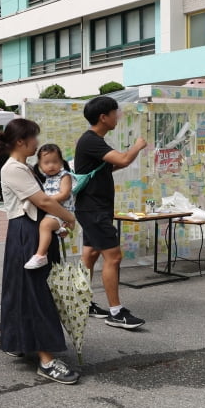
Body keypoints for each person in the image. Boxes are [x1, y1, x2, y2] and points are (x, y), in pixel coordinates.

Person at [0, 118, 80, 384]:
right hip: (25, 231)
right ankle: (46, 360)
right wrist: (70, 218)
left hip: (28, 231)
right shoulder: (14, 168)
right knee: (36, 293)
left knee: (23, 289)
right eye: (34, 138)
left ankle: (12, 335)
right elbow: (41, 200)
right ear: (21, 141)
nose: (37, 143)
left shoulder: (22, 166)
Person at [74, 96, 148, 330]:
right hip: (93, 209)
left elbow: (115, 165)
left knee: (91, 254)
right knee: (113, 257)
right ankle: (116, 312)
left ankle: (82, 301)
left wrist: (127, 155)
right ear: (103, 117)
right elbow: (125, 159)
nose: (118, 117)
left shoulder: (95, 141)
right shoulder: (91, 140)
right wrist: (137, 145)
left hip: (94, 208)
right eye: (115, 113)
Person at [24, 144, 74, 270]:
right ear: (40, 165)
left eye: (55, 162)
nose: (51, 165)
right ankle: (60, 230)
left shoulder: (65, 176)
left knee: (45, 225)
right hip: (52, 212)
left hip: (62, 212)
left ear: (61, 162)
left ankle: (41, 255)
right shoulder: (46, 178)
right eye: (46, 163)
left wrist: (45, 200)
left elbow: (64, 194)